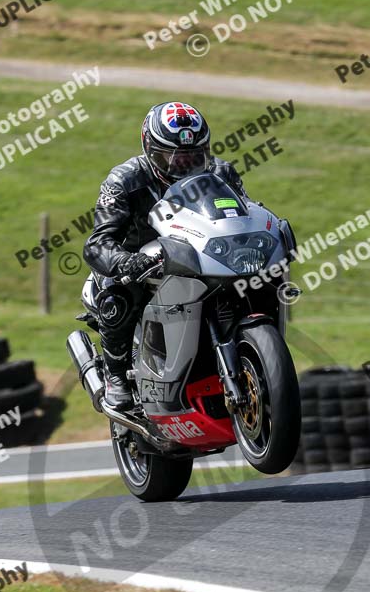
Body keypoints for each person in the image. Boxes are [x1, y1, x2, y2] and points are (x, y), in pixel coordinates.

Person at [83, 101, 250, 410]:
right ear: (150, 149)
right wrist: (127, 262)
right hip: (144, 265)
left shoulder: (221, 173)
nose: (183, 165)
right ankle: (116, 375)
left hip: (201, 257)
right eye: (171, 157)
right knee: (119, 297)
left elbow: (244, 214)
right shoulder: (124, 180)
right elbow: (97, 244)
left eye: (193, 156)